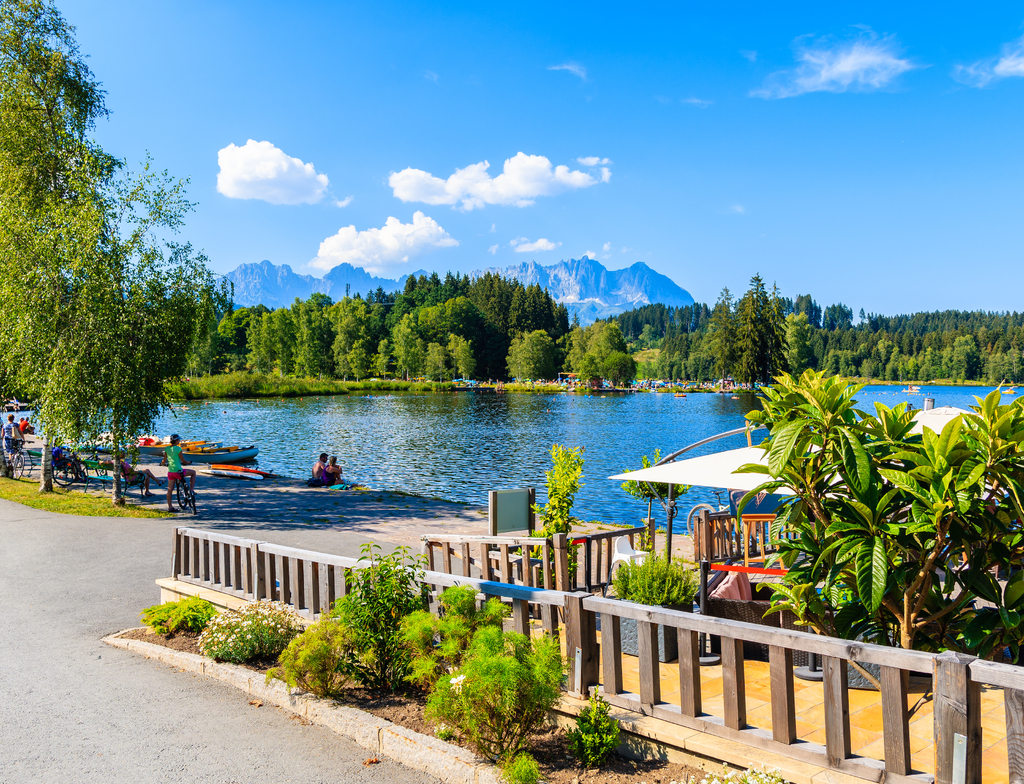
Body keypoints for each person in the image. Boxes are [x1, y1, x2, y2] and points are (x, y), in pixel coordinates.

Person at [160, 434, 196, 512]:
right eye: (179, 440)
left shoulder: (167, 449)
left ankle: (170, 507)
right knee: (193, 473)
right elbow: (183, 460)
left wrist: (162, 464)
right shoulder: (178, 448)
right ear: (176, 441)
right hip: (178, 471)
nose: (179, 441)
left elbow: (164, 461)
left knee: (169, 490)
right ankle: (192, 490)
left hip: (171, 472)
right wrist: (188, 462)